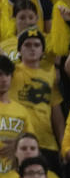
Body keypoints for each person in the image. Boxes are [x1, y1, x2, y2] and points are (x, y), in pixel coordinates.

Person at [11, 28, 64, 161]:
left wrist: (64, 145)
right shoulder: (10, 73)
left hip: (47, 144)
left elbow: (57, 115)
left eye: (36, 45)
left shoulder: (50, 75)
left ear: (42, 51)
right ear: (19, 50)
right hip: (18, 144)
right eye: (27, 45)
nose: (32, 48)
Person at [0, 56, 33, 148]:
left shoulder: (22, 111)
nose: (4, 79)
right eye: (0, 74)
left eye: (8, 74)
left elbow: (30, 142)